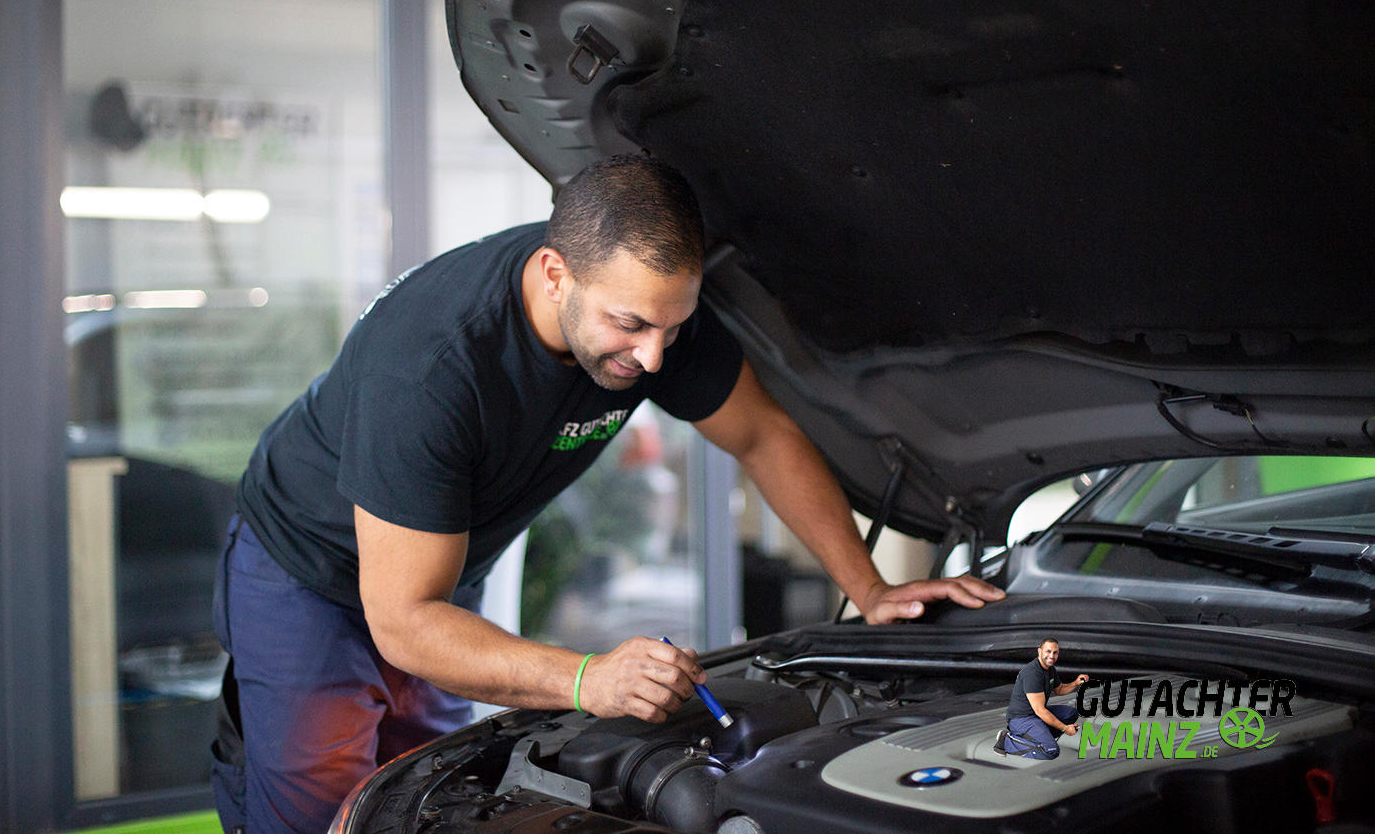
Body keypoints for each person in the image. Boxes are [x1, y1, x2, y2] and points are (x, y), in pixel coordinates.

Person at [210, 154, 1005, 834]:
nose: (655, 358)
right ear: (556, 273)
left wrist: (867, 588)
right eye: (630, 326)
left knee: (427, 799)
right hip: (309, 575)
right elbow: (403, 621)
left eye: (673, 326)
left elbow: (761, 435)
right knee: (326, 814)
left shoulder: (648, 312)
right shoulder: (431, 367)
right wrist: (590, 680)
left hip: (440, 575)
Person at [997, 638, 1090, 759]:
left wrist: (1076, 683)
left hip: (1035, 715)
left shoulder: (1050, 669)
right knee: (1051, 751)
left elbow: (1059, 689)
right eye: (1048, 651)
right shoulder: (1032, 673)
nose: (1051, 656)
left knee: (1070, 714)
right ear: (1039, 651)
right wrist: (1065, 728)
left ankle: (1040, 736)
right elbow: (1040, 710)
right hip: (1021, 719)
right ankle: (1006, 741)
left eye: (1055, 652)